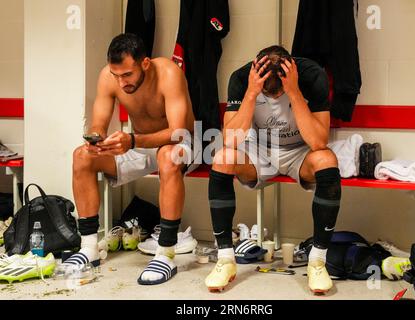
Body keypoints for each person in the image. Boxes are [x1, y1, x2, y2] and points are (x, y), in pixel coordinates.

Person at [65, 33, 200, 285]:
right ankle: (89, 248)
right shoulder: (109, 76)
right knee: (81, 156)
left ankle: (166, 253)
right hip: (138, 144)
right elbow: (98, 123)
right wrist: (96, 141)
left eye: (127, 75)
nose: (121, 82)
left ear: (145, 64)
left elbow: (177, 131)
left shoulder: (169, 73)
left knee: (169, 156)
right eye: (116, 75)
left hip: (181, 143)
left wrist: (132, 141)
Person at [205, 45, 341, 294]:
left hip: (299, 149)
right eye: (269, 92)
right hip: (259, 149)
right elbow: (230, 140)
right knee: (223, 157)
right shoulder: (241, 77)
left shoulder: (312, 75)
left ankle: (318, 262)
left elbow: (319, 141)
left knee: (327, 160)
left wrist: (294, 91)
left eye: (279, 91)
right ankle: (225, 259)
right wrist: (251, 92)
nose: (275, 98)